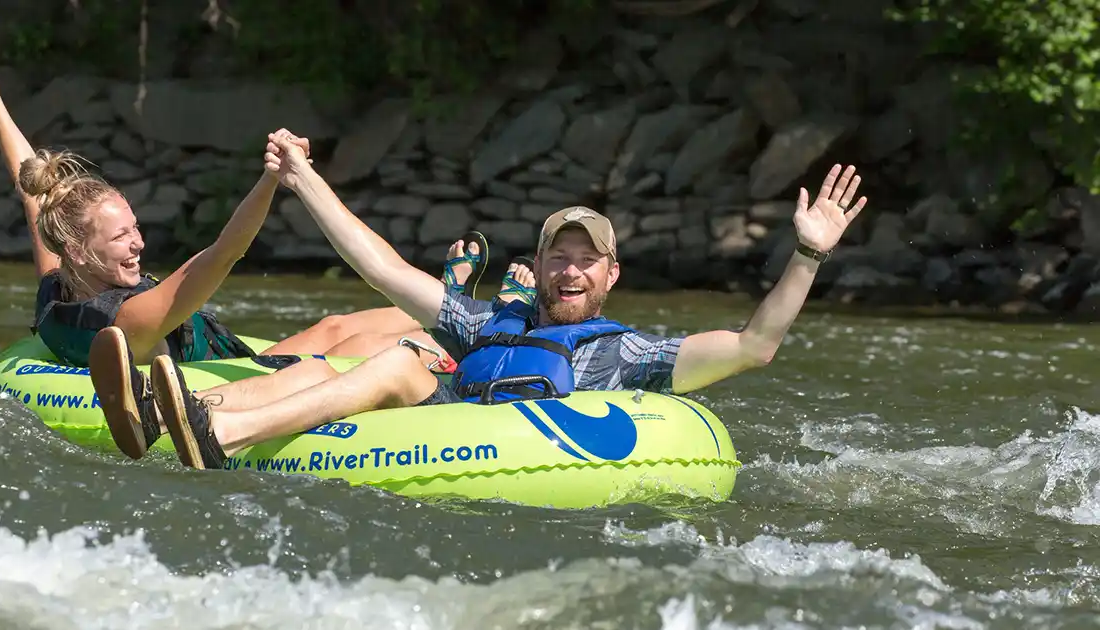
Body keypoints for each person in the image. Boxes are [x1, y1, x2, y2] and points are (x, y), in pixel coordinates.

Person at [90, 129, 868, 470]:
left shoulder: (626, 355)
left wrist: (806, 253)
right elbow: (380, 266)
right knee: (351, 360)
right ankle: (181, 416)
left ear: (610, 276)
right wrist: (302, 179)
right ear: (537, 265)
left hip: (506, 446)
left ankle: (219, 433)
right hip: (442, 413)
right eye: (557, 258)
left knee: (397, 362)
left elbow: (752, 345)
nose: (569, 273)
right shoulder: (485, 322)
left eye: (585, 263)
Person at [0, 44, 535, 459]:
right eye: (121, 237)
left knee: (339, 320)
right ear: (81, 251)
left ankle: (463, 306)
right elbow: (224, 254)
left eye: (135, 226)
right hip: (256, 370)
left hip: (230, 347)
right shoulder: (126, 318)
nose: (139, 242)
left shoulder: (57, 282)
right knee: (372, 345)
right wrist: (270, 181)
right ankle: (493, 336)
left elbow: (31, 188)